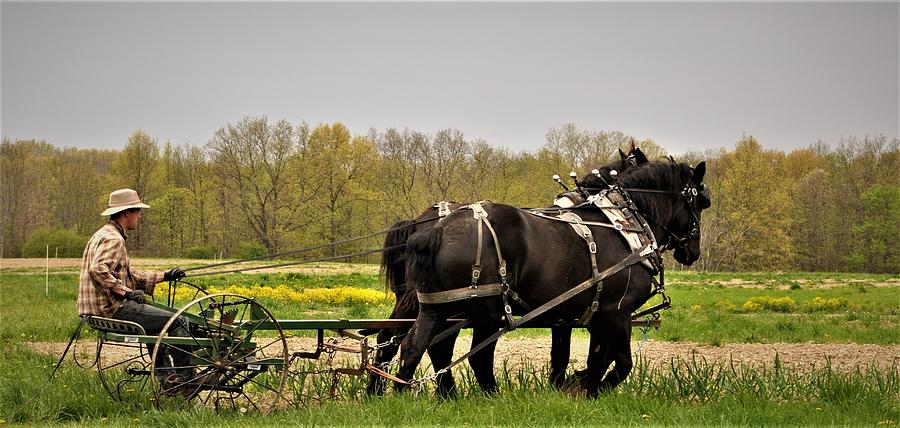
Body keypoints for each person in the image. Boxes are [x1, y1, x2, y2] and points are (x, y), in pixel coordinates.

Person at [77, 188, 191, 390]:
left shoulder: (102, 234)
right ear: (126, 213)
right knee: (178, 320)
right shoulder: (114, 239)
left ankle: (167, 376)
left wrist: (165, 276)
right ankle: (187, 379)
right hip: (113, 309)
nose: (140, 216)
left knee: (155, 322)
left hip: (96, 311)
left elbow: (127, 274)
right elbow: (97, 269)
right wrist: (126, 292)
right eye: (137, 211)